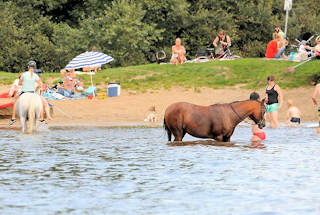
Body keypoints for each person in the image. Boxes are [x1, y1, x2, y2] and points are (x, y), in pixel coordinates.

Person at [9, 61, 41, 125]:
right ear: (34, 68)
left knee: (15, 101)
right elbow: (39, 85)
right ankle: (39, 119)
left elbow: (19, 83)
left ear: (28, 67)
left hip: (24, 92)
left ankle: (13, 118)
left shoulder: (24, 74)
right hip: (33, 93)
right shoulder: (36, 75)